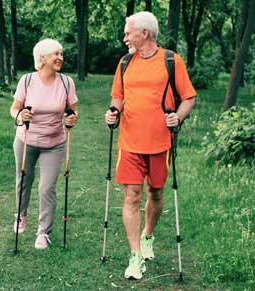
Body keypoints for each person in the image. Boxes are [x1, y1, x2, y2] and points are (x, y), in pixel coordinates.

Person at [105, 12, 196, 280]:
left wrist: (177, 116)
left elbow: (189, 98)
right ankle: (135, 256)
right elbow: (117, 97)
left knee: (155, 193)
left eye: (127, 32)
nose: (124, 38)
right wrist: (112, 112)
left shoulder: (171, 61)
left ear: (144, 33)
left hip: (160, 143)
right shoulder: (125, 63)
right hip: (130, 142)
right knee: (131, 195)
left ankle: (147, 236)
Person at [10, 38, 78, 250]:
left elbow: (73, 110)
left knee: (47, 187)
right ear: (42, 58)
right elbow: (14, 108)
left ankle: (43, 233)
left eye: (61, 54)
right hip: (27, 139)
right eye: (56, 54)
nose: (60, 58)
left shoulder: (66, 82)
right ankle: (21, 215)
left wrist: (72, 118)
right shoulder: (28, 80)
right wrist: (20, 116)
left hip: (55, 142)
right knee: (24, 180)